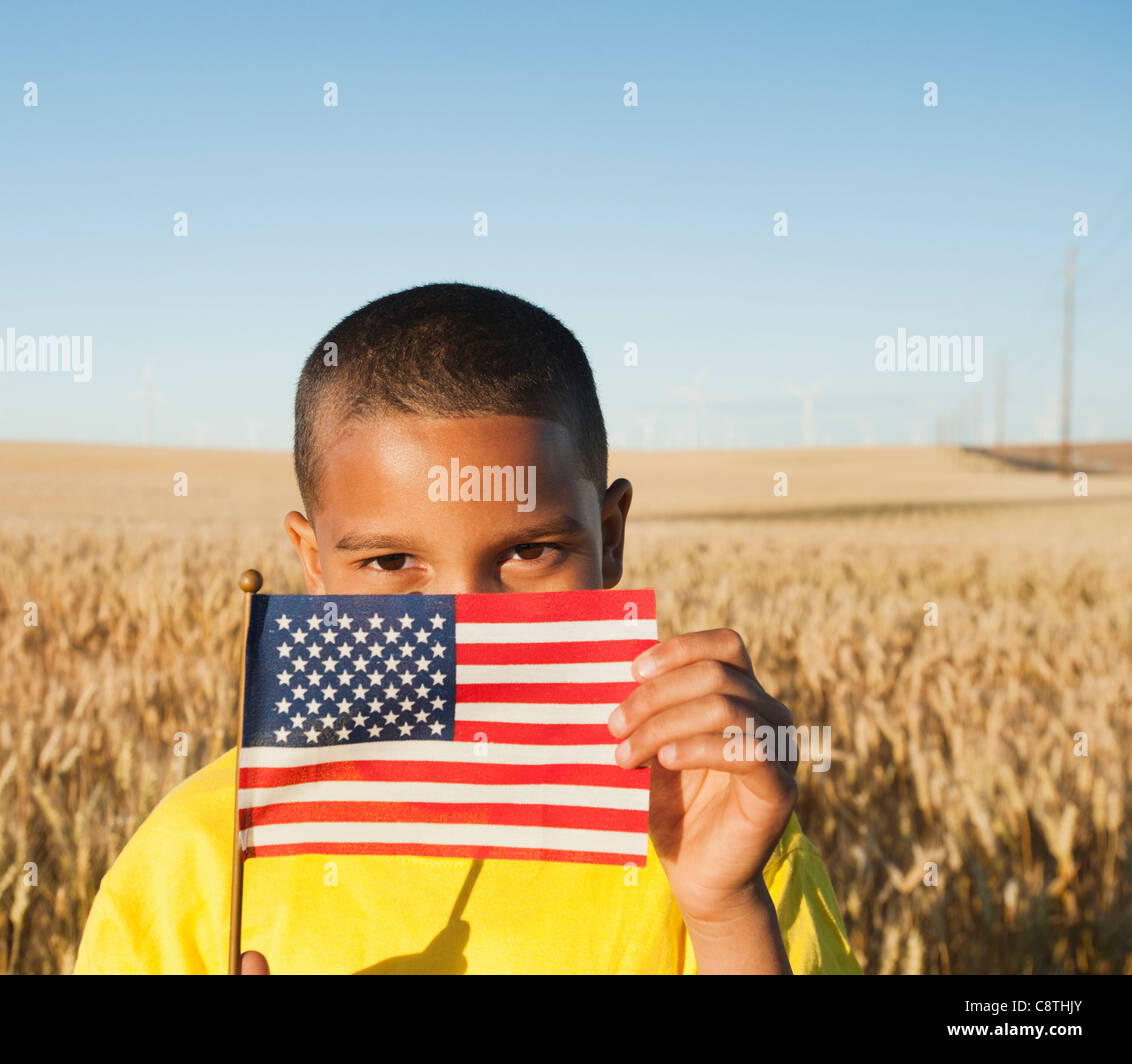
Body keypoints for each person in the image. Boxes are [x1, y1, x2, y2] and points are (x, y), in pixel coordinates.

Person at [74, 282, 861, 974]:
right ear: (313, 565)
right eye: (389, 563)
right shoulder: (203, 854)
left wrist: (726, 915)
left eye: (530, 550)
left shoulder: (705, 826)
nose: (464, 620)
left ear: (611, 534)